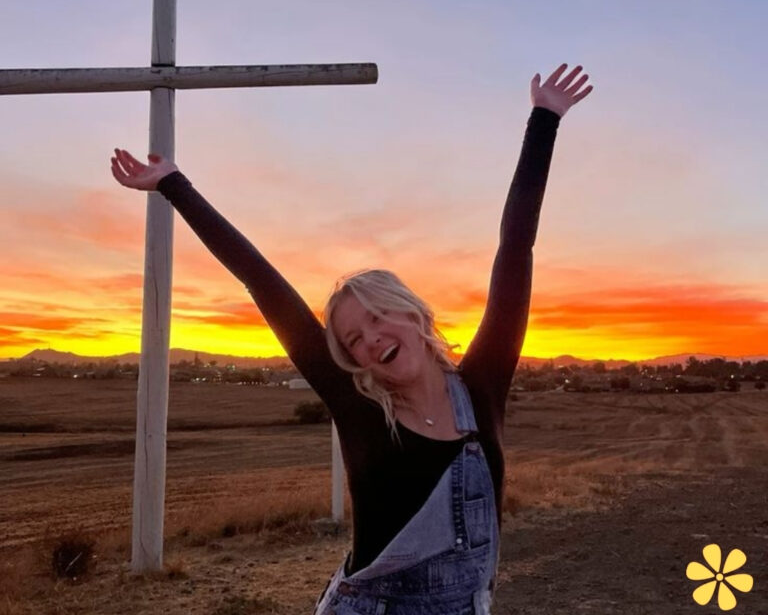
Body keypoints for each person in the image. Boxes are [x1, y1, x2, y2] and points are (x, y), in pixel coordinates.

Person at [110, 63, 592, 614]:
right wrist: (173, 184)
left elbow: (515, 249)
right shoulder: (359, 408)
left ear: (415, 315)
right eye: (354, 339)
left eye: (380, 317)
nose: (372, 340)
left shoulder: (481, 389)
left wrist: (544, 120)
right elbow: (262, 282)